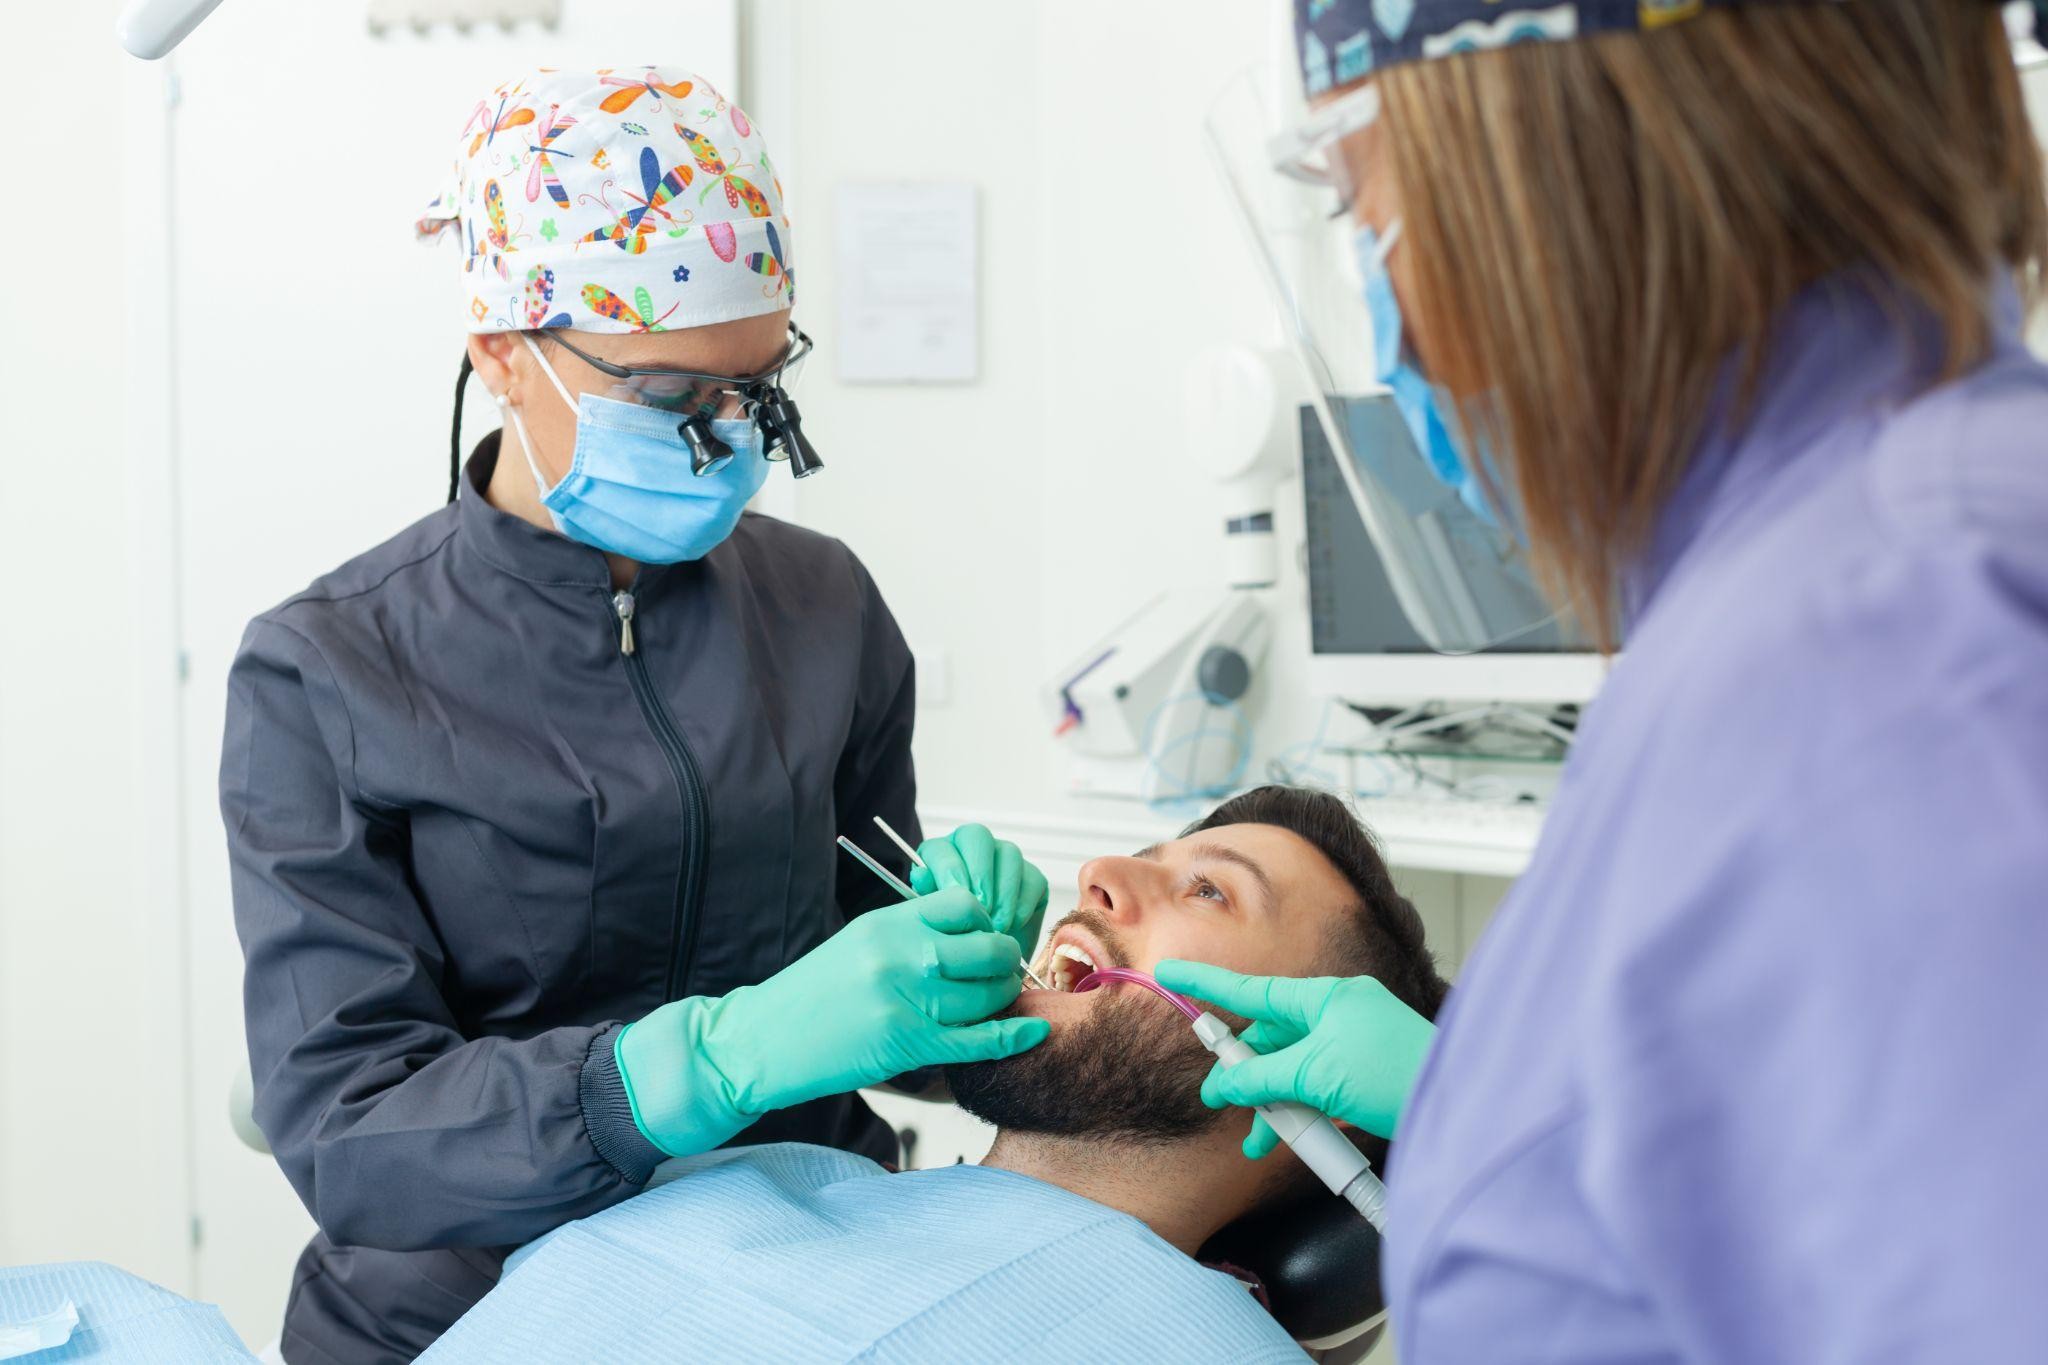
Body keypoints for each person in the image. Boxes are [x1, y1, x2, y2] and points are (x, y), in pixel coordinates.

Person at [1163, 2, 2048, 1360]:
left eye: (1357, 199)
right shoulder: (1842, 585)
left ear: (1548, 162)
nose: (1388, 319)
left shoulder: (1889, 662)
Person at [219, 66, 1049, 1362]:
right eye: (671, 395)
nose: (728, 436)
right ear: (503, 353)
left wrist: (969, 966)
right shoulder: (326, 668)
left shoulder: (821, 604)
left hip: (802, 1271)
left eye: (757, 387)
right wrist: (699, 1066)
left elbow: (872, 971)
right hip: (474, 1307)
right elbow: (349, 1131)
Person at [409, 785, 1447, 1362]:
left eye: (1211, 892)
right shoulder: (757, 1174)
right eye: (1146, 852)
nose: (1097, 874)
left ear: (1316, 1081)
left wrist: (1466, 1112)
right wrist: (715, 1056)